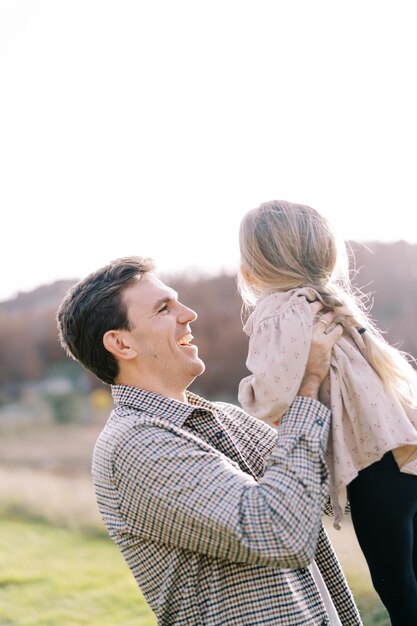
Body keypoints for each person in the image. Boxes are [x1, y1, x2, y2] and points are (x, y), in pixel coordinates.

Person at [56, 255, 363, 626]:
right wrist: (306, 389)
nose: (189, 314)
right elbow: (279, 530)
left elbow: (335, 488)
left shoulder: (224, 418)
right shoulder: (133, 445)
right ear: (121, 344)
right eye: (164, 308)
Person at [237, 199, 417, 626]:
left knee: (397, 586)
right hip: (405, 451)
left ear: (251, 270)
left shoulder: (280, 312)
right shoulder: (330, 303)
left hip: (373, 466)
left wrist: (246, 392)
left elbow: (275, 397)